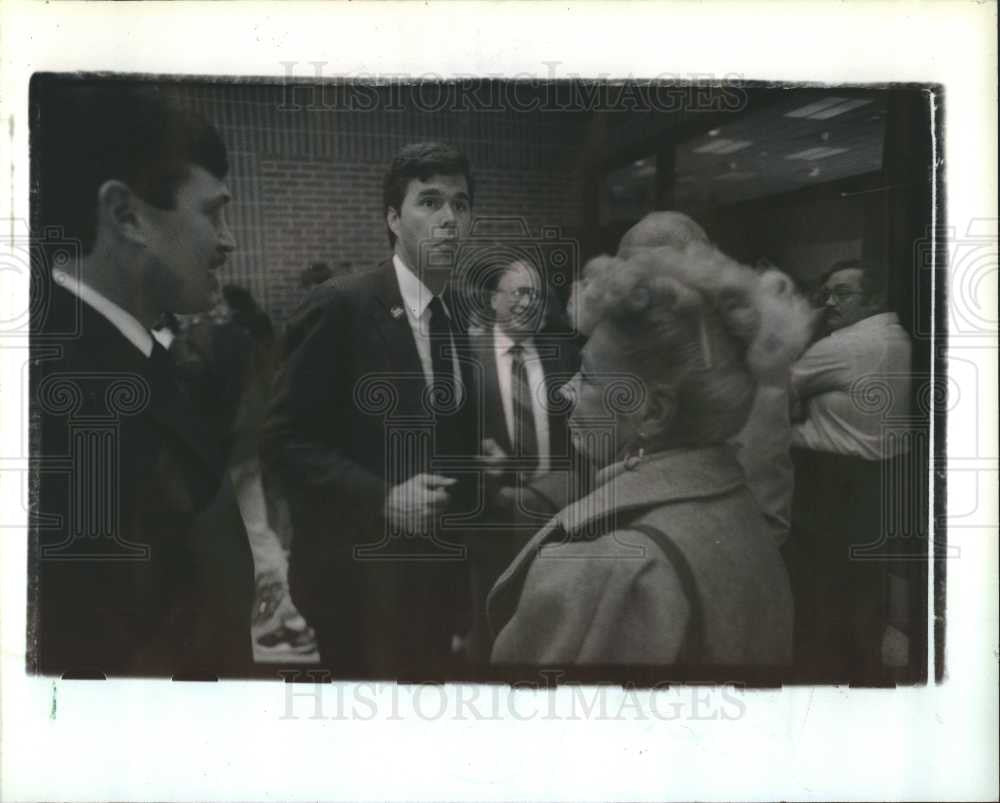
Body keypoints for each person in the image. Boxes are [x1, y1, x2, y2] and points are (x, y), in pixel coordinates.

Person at [488, 240, 809, 666]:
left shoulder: (617, 572)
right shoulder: (741, 513)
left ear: (652, 412)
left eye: (586, 376)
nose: (566, 391)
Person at [31, 82, 254, 677]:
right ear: (127, 216)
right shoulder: (70, 402)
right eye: (213, 212)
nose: (229, 240)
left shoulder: (119, 359)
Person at [263, 142, 478, 677]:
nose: (449, 218)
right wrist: (384, 500)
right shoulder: (341, 306)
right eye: (430, 202)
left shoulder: (452, 316)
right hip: (354, 583)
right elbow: (283, 442)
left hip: (430, 582)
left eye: (461, 203)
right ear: (393, 219)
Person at [787, 258, 913, 681]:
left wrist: (806, 323)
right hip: (882, 478)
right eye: (827, 294)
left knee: (821, 590)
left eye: (843, 293)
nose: (830, 303)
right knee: (863, 590)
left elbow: (778, 387)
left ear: (874, 298)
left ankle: (823, 680)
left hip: (833, 480)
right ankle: (864, 675)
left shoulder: (843, 346)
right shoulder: (896, 336)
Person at [464, 254, 577, 661]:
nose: (529, 304)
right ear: (494, 299)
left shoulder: (563, 354)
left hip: (554, 511)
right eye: (519, 293)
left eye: (538, 296)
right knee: (492, 625)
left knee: (549, 627)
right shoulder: (463, 357)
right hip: (492, 516)